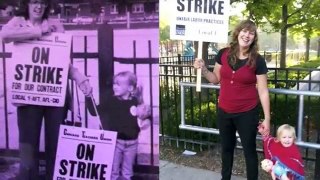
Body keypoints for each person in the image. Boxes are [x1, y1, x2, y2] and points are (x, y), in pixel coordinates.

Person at [0, 0, 92, 179]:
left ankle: (54, 176)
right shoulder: (18, 21)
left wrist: (79, 77)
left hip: (54, 94)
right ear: (27, 4)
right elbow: (4, 36)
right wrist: (37, 31)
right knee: (28, 146)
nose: (38, 7)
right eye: (34, 2)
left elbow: (62, 60)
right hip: (28, 95)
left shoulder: (55, 24)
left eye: (42, 3)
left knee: (56, 144)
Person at [194, 20, 271, 180]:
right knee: (226, 149)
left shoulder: (258, 60)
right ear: (238, 33)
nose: (247, 35)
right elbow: (215, 79)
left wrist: (267, 119)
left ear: (254, 37)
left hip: (247, 113)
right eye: (244, 31)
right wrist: (203, 69)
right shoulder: (223, 53)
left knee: (249, 151)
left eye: (251, 33)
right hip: (224, 111)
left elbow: (263, 91)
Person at [86, 71, 151, 180]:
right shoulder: (111, 101)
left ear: (130, 88)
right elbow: (94, 111)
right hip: (116, 142)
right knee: (113, 170)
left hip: (132, 143)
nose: (114, 87)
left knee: (127, 172)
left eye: (118, 84)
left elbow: (145, 117)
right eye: (114, 84)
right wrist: (89, 96)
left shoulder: (135, 101)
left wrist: (144, 119)